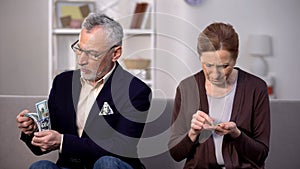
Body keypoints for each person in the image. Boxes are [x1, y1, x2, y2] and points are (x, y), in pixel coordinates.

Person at [16, 13, 152, 169]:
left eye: (92, 54)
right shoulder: (63, 83)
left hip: (112, 165)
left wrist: (63, 141)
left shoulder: (136, 91)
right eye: (79, 49)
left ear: (115, 53)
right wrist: (33, 131)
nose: (81, 60)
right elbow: (42, 146)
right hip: (70, 166)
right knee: (41, 166)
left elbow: (121, 147)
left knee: (106, 163)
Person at [168, 22, 270, 168]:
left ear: (235, 58)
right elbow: (176, 154)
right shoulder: (187, 88)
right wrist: (192, 133)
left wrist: (236, 134)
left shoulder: (256, 88)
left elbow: (261, 154)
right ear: (200, 58)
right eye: (208, 65)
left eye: (224, 66)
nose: (215, 75)